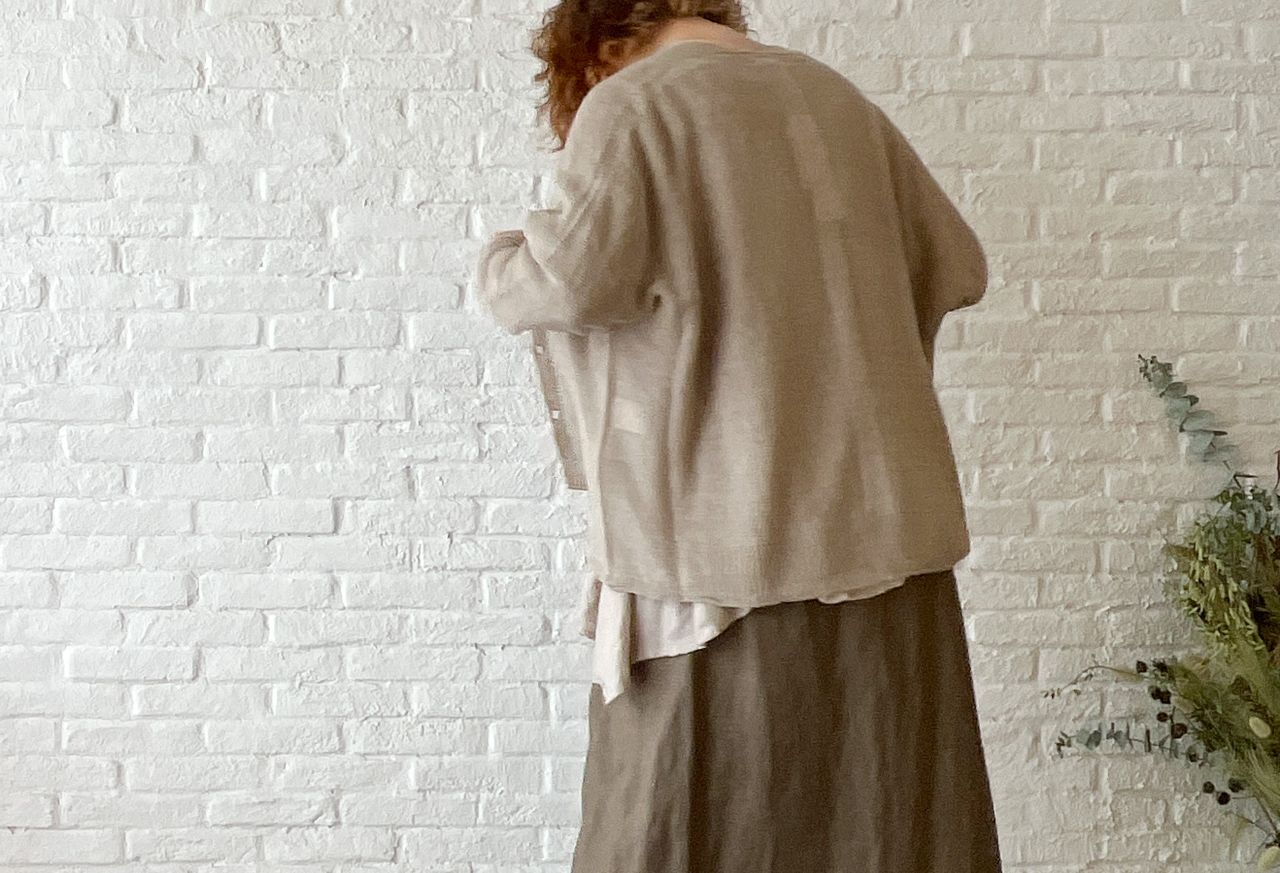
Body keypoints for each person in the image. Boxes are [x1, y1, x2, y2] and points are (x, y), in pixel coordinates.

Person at [474, 2, 1003, 871]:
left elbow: (568, 280)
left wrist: (500, 257)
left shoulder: (635, 104)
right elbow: (957, 262)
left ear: (595, 47)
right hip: (891, 550)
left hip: (724, 567)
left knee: (680, 822)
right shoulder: (837, 99)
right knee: (890, 830)